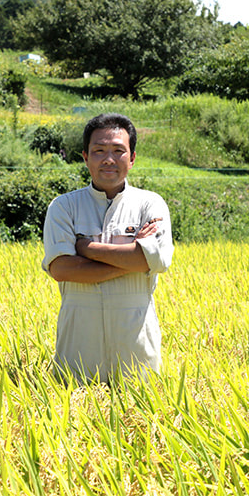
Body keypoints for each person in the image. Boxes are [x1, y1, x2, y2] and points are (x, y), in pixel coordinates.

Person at [42, 113, 174, 384]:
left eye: (118, 151)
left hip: (136, 342)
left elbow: (157, 260)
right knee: (72, 417)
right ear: (85, 157)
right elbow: (62, 268)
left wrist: (86, 248)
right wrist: (132, 259)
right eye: (99, 151)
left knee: (139, 412)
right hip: (78, 341)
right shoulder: (64, 207)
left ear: (132, 158)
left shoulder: (150, 205)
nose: (109, 159)